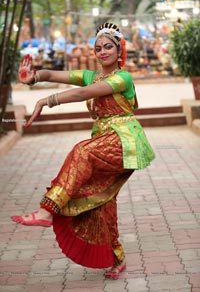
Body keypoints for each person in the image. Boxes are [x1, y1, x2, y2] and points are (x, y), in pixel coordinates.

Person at [11, 22, 155, 280]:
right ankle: (116, 257)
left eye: (108, 46)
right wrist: (34, 77)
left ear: (119, 49)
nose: (102, 52)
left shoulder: (123, 77)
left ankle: (47, 210)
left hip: (124, 141)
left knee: (82, 152)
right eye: (98, 48)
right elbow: (55, 75)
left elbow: (85, 93)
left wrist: (46, 101)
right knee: (103, 202)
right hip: (104, 141)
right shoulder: (92, 74)